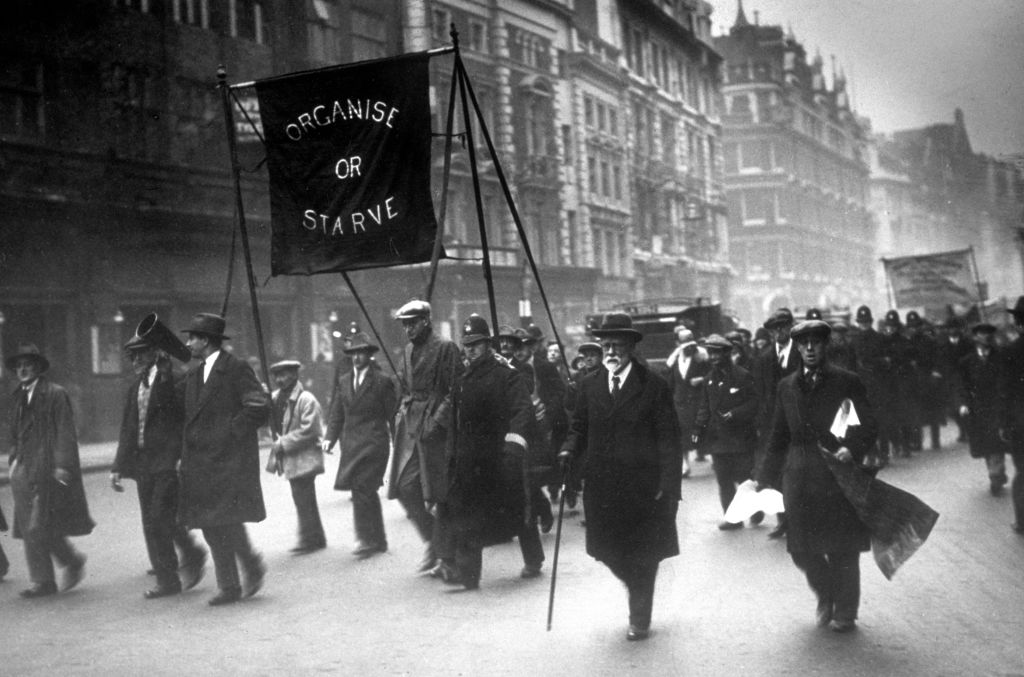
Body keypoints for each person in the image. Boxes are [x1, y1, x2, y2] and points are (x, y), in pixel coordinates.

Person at [559, 312, 682, 641]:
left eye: (618, 345)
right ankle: (636, 585)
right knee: (608, 553)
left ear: (630, 347)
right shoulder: (589, 385)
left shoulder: (652, 385)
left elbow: (669, 438)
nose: (611, 351)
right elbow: (579, 428)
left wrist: (669, 485)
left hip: (644, 488)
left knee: (645, 554)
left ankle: (639, 617)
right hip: (602, 488)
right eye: (606, 344)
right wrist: (568, 450)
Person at [756, 320, 878, 633]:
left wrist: (852, 447)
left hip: (836, 473)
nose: (810, 349)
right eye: (804, 343)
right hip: (798, 474)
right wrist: (762, 476)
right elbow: (778, 435)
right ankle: (826, 592)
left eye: (816, 343)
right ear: (797, 348)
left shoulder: (845, 382)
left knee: (843, 547)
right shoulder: (787, 386)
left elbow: (867, 423)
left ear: (826, 346)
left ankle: (845, 611)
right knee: (800, 548)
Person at [178, 313, 270, 606]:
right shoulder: (194, 373)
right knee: (211, 523)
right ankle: (239, 576)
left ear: (205, 340)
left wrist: (229, 432)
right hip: (202, 462)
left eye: (192, 337)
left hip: (229, 460)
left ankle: (235, 580)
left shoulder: (235, 368)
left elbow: (258, 406)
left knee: (225, 521)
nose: (188, 342)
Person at [438, 315, 534, 589]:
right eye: (467, 345)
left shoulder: (506, 376)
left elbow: (522, 411)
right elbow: (455, 422)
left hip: (498, 458)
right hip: (467, 461)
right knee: (465, 515)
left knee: (517, 513)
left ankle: (533, 558)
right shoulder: (461, 380)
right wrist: (451, 456)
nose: (471, 350)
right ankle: (468, 576)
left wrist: (514, 446)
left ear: (488, 345)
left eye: (477, 344)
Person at [111, 333, 206, 599]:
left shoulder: (174, 379)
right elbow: (128, 428)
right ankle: (185, 559)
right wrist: (118, 465)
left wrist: (181, 457)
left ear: (155, 352)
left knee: (157, 519)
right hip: (144, 463)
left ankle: (171, 575)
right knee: (153, 521)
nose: (135, 360)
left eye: (140, 353)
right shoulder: (135, 387)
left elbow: (182, 418)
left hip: (167, 460)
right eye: (132, 355)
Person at [6, 344, 93, 598]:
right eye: (19, 365)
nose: (22, 369)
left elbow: (65, 431)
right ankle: (43, 580)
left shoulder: (55, 393)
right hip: (22, 466)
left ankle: (70, 561)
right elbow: (14, 431)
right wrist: (13, 458)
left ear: (38, 367)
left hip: (46, 467)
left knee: (39, 524)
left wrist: (62, 465)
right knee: (29, 525)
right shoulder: (18, 395)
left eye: (28, 364)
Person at [388, 300, 463, 573]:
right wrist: (397, 411)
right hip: (411, 426)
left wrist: (438, 420)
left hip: (437, 430)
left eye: (413, 323)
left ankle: (447, 555)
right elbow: (403, 386)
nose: (408, 329)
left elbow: (456, 390)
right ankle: (434, 541)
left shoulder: (446, 348)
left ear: (426, 321)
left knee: (440, 493)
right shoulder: (407, 351)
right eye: (405, 324)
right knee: (405, 487)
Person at [324, 333, 398, 559]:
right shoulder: (344, 380)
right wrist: (330, 437)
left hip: (375, 443)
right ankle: (378, 540)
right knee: (362, 491)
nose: (357, 357)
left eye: (361, 353)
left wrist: (399, 440)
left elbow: (392, 413)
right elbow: (337, 411)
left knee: (363, 489)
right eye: (353, 353)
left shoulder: (381, 381)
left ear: (369, 355)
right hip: (352, 444)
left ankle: (366, 539)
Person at [695, 334, 760, 530]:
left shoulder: (742, 375)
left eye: (718, 353)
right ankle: (732, 518)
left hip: (741, 438)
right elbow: (704, 408)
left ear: (727, 353)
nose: (714, 357)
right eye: (711, 353)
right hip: (718, 440)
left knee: (744, 479)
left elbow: (755, 402)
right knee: (723, 480)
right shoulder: (708, 380)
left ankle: (755, 509)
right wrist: (698, 428)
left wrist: (735, 413)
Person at [266, 359, 327, 555]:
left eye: (282, 375)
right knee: (302, 498)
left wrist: (283, 442)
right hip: (294, 458)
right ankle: (314, 537)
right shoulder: (275, 398)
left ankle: (310, 539)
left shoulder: (306, 399)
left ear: (294, 375)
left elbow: (311, 430)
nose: (278, 379)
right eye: (276, 375)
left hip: (305, 458)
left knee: (304, 498)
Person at [753, 308, 802, 539]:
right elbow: (761, 394)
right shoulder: (764, 358)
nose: (779, 333)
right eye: (775, 329)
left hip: (799, 422)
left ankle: (802, 520)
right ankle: (784, 521)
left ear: (791, 327)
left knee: (800, 471)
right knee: (777, 473)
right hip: (774, 425)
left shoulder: (802, 353)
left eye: (783, 327)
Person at [955, 324, 1009, 495]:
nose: (984, 338)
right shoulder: (967, 362)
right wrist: (963, 403)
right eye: (981, 335)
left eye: (988, 335)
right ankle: (995, 472)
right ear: (975, 338)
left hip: (997, 406)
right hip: (977, 408)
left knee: (996, 442)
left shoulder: (1001, 358)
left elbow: (1007, 381)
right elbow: (963, 385)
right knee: (985, 444)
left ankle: (996, 474)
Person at [666, 327, 709, 473]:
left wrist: (702, 379)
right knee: (681, 433)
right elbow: (671, 380)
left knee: (702, 430)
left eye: (691, 345)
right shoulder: (675, 359)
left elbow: (713, 375)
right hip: (680, 402)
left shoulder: (702, 357)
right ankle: (685, 464)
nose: (689, 348)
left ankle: (712, 455)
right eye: (686, 346)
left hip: (698, 401)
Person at [999, 296, 1024, 534]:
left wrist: (1004, 424)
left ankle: (1022, 521)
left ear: (1017, 323)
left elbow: (1004, 391)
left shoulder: (1009, 352)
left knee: (1023, 472)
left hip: (1020, 422)